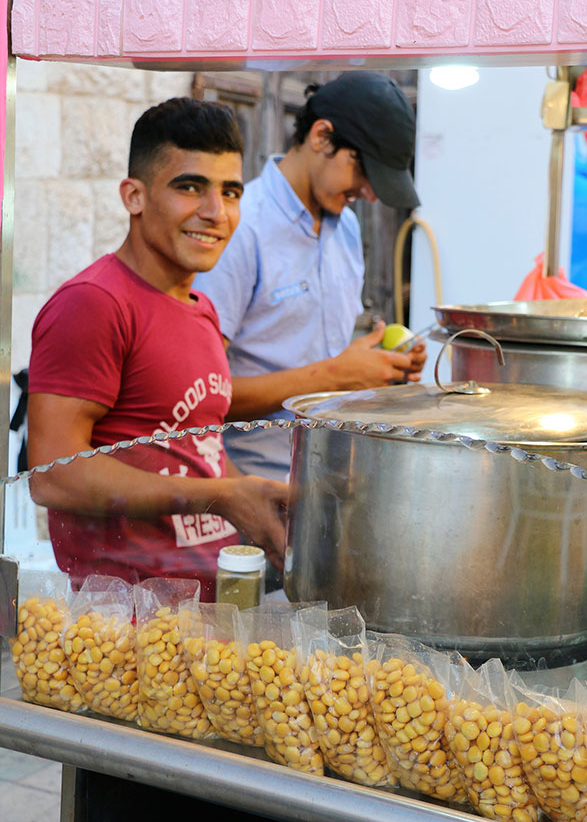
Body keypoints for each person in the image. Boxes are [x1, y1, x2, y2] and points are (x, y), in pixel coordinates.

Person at [27, 97, 287, 601]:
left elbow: (198, 451)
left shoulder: (203, 308)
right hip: (125, 625)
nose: (215, 213)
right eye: (190, 187)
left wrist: (255, 498)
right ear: (134, 196)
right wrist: (222, 497)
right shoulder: (94, 303)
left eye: (230, 191)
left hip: (214, 607)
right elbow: (52, 477)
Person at [195, 71, 426, 482]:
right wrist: (337, 376)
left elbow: (324, 354)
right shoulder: (240, 228)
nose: (370, 194)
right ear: (321, 136)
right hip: (251, 488)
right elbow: (197, 395)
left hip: (331, 476)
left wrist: (379, 366)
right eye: (365, 173)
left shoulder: (347, 229)